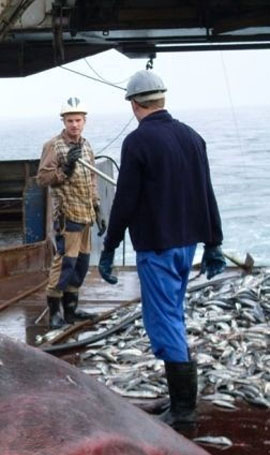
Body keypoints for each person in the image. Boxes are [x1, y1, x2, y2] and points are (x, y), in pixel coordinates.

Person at [98, 69, 225, 428]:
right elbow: (207, 192)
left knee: (162, 319)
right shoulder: (192, 137)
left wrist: (109, 247)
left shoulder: (138, 143)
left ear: (134, 104)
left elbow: (124, 200)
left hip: (157, 247)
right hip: (188, 246)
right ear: (162, 98)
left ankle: (184, 412)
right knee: (174, 314)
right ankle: (179, 397)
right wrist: (214, 243)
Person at [37, 97, 105, 329]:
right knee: (65, 262)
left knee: (81, 263)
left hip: (86, 215)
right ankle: (54, 312)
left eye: (78, 120)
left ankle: (71, 310)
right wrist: (65, 168)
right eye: (70, 120)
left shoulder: (86, 145)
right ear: (63, 121)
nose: (74, 125)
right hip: (67, 215)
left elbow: (92, 179)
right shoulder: (53, 146)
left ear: (84, 121)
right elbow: (43, 178)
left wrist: (98, 208)